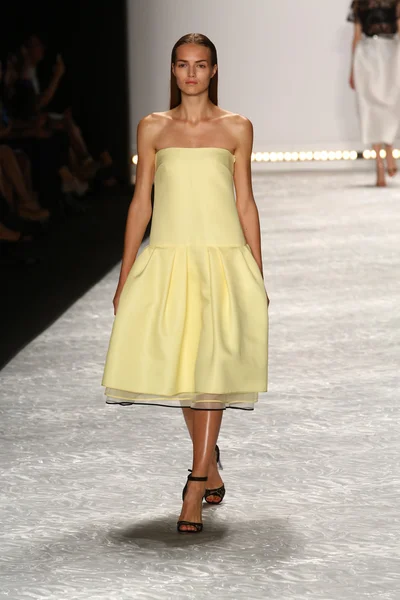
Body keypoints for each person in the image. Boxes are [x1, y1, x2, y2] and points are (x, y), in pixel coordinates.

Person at [101, 33, 269, 534]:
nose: (190, 74)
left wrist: (257, 272)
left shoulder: (237, 127)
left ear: (214, 70)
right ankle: (211, 460)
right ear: (173, 71)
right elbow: (141, 203)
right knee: (185, 365)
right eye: (182, 65)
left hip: (221, 258)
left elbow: (245, 202)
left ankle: (196, 481)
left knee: (212, 367)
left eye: (200, 65)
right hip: (171, 257)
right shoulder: (152, 128)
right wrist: (126, 271)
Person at [348, 0, 400, 186]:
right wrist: (352, 70)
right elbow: (356, 36)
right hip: (367, 56)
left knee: (391, 105)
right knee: (369, 108)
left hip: (391, 55)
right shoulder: (359, 3)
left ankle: (389, 152)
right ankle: (379, 165)